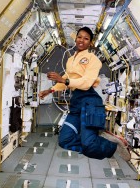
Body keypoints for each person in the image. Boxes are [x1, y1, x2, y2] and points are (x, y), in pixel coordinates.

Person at [39, 27, 130, 161]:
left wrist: (64, 80)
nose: (82, 40)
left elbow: (86, 82)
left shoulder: (93, 59)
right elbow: (67, 78)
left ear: (90, 43)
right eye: (79, 37)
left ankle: (113, 146)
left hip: (90, 101)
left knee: (89, 145)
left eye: (86, 38)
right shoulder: (71, 60)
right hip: (76, 101)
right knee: (65, 140)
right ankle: (97, 140)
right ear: (75, 38)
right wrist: (50, 90)